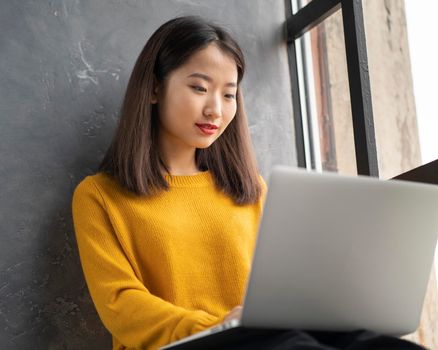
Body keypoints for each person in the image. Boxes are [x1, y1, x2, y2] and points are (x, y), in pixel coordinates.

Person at [72, 16, 426, 350]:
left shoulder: (248, 189)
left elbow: (282, 289)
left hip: (264, 337)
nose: (215, 109)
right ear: (153, 88)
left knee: (368, 340)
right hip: (193, 343)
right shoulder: (100, 196)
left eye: (228, 94)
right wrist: (220, 326)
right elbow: (120, 306)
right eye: (199, 87)